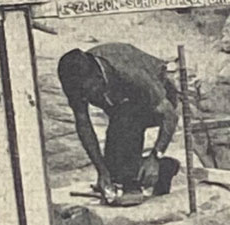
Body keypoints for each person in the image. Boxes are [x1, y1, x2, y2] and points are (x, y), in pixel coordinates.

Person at [57, 45, 180, 206]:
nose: (86, 97)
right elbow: (83, 124)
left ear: (99, 77)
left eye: (89, 91)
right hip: (122, 106)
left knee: (126, 118)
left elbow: (170, 115)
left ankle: (134, 183)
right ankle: (164, 169)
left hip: (162, 93)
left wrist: (155, 157)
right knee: (114, 164)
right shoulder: (75, 82)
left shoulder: (129, 73)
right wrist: (102, 171)